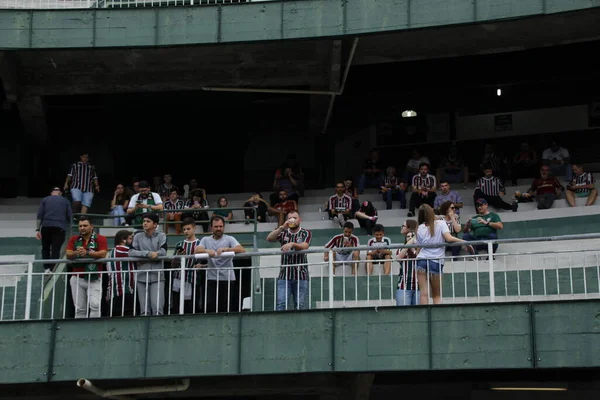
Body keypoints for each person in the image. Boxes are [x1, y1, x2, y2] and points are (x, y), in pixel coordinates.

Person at [415, 204, 472, 305]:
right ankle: (437, 317)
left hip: (421, 260)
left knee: (423, 293)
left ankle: (424, 317)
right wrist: (464, 242)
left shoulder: (419, 227)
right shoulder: (441, 223)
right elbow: (449, 238)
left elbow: (419, 246)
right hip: (435, 260)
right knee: (436, 295)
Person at [194, 215, 246, 313]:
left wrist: (227, 249)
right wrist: (207, 251)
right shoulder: (206, 239)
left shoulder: (229, 239)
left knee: (226, 307)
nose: (219, 229)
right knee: (211, 306)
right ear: (211, 227)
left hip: (228, 278)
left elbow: (241, 249)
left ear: (223, 227)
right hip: (212, 278)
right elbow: (197, 250)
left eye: (221, 226)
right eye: (216, 226)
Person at [266, 211, 312, 310]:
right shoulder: (283, 233)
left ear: (299, 220)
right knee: (281, 304)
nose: (292, 220)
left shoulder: (305, 232)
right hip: (284, 275)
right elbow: (269, 238)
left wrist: (293, 244)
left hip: (301, 275)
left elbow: (305, 246)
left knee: (300, 305)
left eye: (295, 218)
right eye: (290, 218)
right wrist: (282, 227)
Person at [65, 216, 108, 318]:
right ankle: (80, 331)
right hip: (77, 277)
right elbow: (68, 253)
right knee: (80, 308)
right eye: (80, 226)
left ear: (91, 226)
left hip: (94, 277)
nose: (82, 228)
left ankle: (94, 329)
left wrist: (87, 253)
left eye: (85, 225)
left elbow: (103, 253)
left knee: (95, 305)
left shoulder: (100, 238)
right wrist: (77, 252)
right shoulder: (74, 239)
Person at [129, 213, 168, 316]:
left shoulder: (162, 235)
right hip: (142, 276)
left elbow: (163, 251)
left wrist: (156, 254)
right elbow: (131, 252)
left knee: (157, 309)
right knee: (144, 310)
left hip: (157, 276)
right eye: (144, 221)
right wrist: (148, 254)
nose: (145, 223)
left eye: (148, 221)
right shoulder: (137, 236)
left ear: (155, 224)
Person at [36, 186, 72, 273]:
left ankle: (46, 268)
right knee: (56, 249)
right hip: (59, 227)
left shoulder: (45, 199)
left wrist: (37, 230)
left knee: (45, 248)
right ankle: (53, 269)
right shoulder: (65, 201)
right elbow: (70, 216)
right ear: (60, 193)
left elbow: (39, 215)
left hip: (46, 226)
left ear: (51, 193)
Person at [105, 230, 136, 317]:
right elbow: (139, 254)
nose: (132, 241)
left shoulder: (111, 251)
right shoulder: (122, 249)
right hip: (122, 290)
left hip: (113, 292)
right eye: (130, 239)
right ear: (123, 240)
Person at [63, 152, 100, 216]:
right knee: (77, 201)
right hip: (76, 186)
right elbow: (69, 175)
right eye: (84, 157)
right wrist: (66, 183)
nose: (85, 158)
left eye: (87, 157)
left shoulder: (91, 166)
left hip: (89, 188)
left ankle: (82, 218)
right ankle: (74, 215)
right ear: (81, 157)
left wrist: (97, 185)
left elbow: (94, 177)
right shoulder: (75, 165)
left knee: (86, 204)